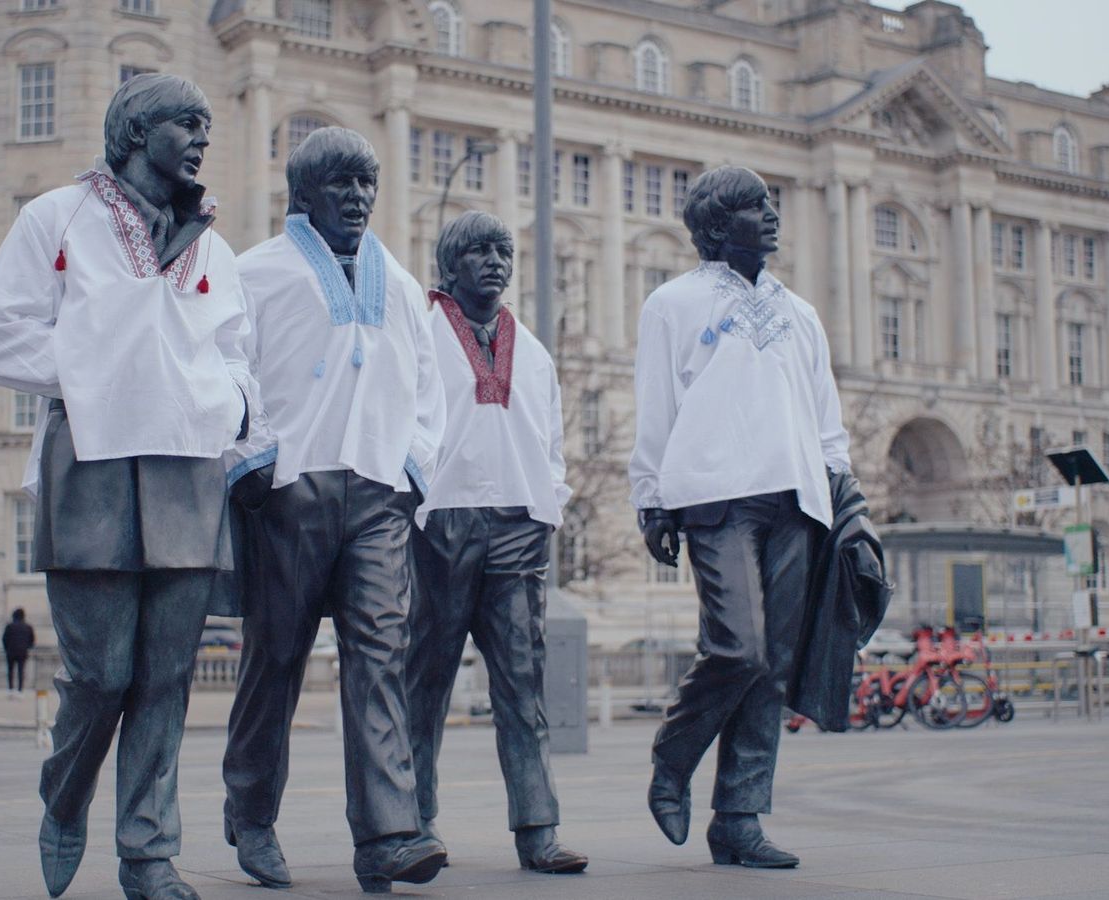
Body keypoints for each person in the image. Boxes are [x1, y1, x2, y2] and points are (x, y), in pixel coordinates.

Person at [0, 73, 254, 900]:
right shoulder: (55, 217)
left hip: (189, 473)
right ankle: (65, 793)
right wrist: (102, 376)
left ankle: (149, 856)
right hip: (89, 464)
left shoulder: (216, 246)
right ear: (134, 129)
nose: (202, 137)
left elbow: (236, 351)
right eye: (185, 122)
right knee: (99, 678)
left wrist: (230, 404)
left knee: (165, 682)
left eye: (207, 123)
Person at [220, 126, 447, 894]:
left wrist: (414, 468)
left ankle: (387, 835)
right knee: (275, 658)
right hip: (291, 489)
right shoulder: (255, 273)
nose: (357, 197)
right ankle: (251, 812)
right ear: (304, 194)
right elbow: (227, 370)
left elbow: (429, 393)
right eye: (341, 184)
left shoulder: (406, 287)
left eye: (366, 183)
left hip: (379, 495)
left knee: (382, 659)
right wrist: (253, 459)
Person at [628, 166, 853, 869]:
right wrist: (651, 497)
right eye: (756, 206)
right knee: (739, 647)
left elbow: (825, 419)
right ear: (718, 227)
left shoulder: (802, 313)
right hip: (714, 498)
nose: (772, 214)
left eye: (770, 201)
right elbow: (656, 406)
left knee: (773, 667)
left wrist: (849, 503)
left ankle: (739, 818)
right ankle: (674, 753)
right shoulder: (673, 303)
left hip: (796, 499)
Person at [405, 211, 587, 875]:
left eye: (502, 251)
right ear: (449, 266)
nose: (494, 262)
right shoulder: (421, 336)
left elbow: (553, 441)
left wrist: (550, 506)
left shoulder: (532, 349)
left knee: (522, 687)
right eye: (478, 252)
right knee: (424, 684)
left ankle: (538, 829)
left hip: (516, 526)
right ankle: (413, 823)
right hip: (442, 524)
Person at [2, 608, 36, 697]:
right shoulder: (28, 627)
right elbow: (32, 640)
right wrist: (27, 647)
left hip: (11, 651)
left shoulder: (9, 626)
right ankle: (20, 690)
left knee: (10, 671)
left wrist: (6, 649)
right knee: (21, 671)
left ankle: (10, 689)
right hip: (22, 652)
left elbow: (4, 639)